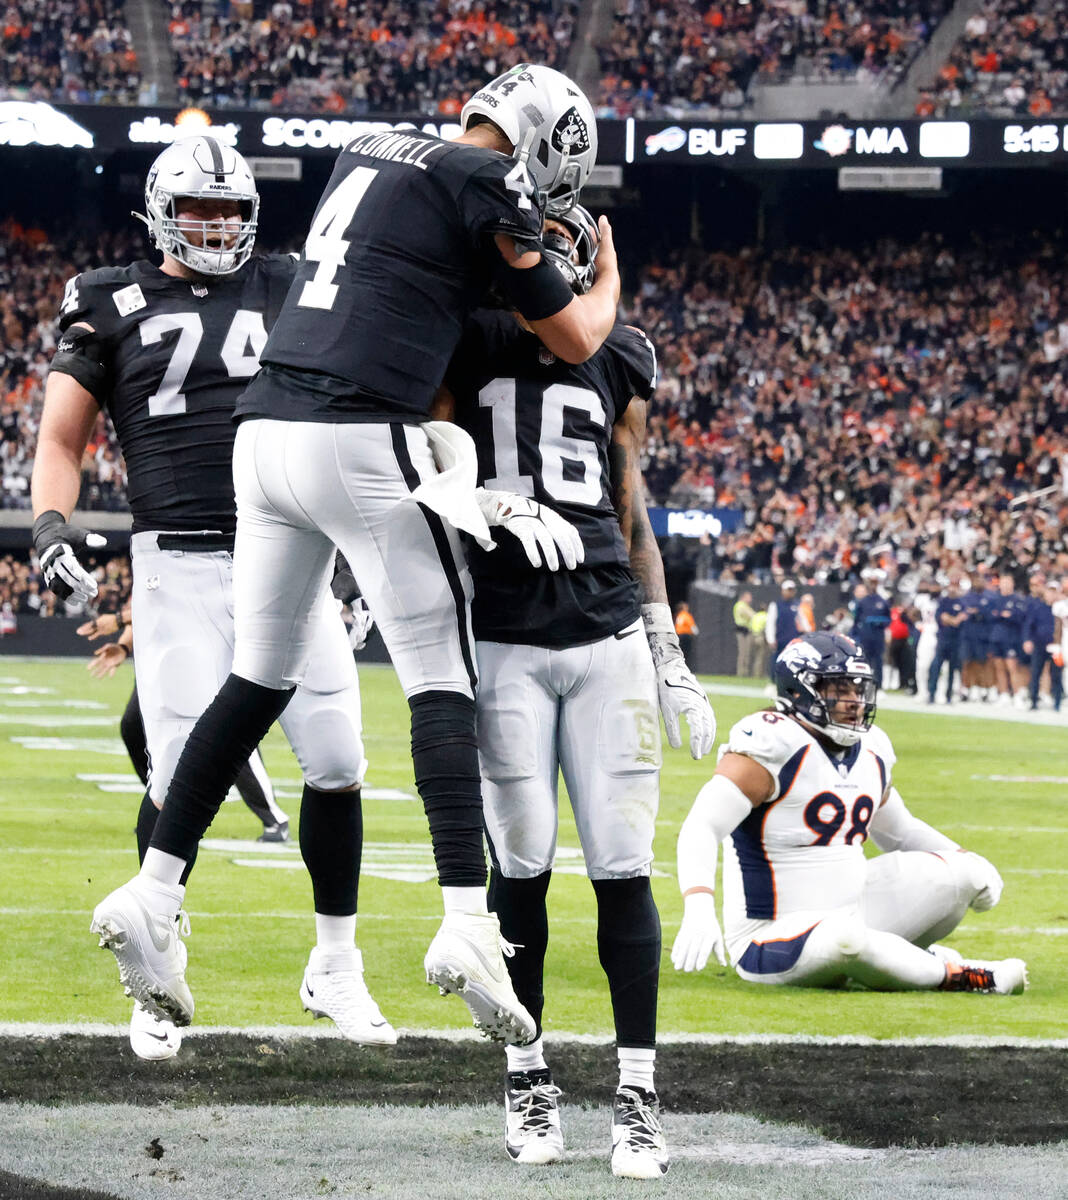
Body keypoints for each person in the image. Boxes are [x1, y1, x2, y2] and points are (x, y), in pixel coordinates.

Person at [88, 64, 617, 1046]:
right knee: (439, 674)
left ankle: (154, 892)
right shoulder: (487, 184)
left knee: (256, 678)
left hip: (263, 435)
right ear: (545, 144)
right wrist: (610, 271)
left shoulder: (369, 146)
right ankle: (467, 921)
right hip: (356, 435)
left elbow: (424, 289)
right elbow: (579, 335)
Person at [33, 136, 391, 1061]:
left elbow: (346, 412)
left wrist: (357, 548)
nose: (218, 225)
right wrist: (50, 525)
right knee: (177, 766)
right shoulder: (108, 297)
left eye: (231, 211)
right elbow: (64, 435)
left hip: (292, 550)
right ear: (160, 210)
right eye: (199, 209)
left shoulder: (287, 283)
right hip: (177, 563)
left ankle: (336, 964)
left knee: (339, 758)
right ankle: (157, 967)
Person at [438, 205, 713, 1177]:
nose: (544, 258)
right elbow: (416, 471)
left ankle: (636, 1095)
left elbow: (631, 511)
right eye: (529, 242)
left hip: (605, 634)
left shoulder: (618, 355)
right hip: (504, 635)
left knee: (622, 866)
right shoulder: (460, 338)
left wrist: (668, 651)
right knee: (520, 869)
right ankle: (527, 1075)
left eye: (562, 241)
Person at [670, 632, 1026, 996]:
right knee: (846, 941)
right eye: (838, 689)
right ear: (798, 690)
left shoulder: (872, 748)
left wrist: (971, 860)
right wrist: (698, 906)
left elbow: (900, 831)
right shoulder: (770, 745)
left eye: (858, 690)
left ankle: (903, 961)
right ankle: (957, 973)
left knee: (963, 873)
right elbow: (702, 825)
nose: (853, 702)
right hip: (770, 935)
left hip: (854, 910)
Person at [78, 605, 292, 842]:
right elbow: (147, 596)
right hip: (162, 650)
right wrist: (124, 645)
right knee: (134, 728)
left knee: (230, 731)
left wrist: (119, 619)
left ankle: (275, 819)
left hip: (206, 641)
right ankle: (164, 810)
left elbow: (187, 597)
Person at [1021, 580, 1063, 712]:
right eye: (1049, 592)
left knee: (1056, 674)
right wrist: (1027, 640)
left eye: (1053, 592)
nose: (1051, 595)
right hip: (1039, 644)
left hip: (1056, 646)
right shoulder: (1038, 607)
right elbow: (1029, 625)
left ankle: (1057, 702)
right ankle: (1033, 700)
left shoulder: (1062, 608)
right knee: (1036, 673)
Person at [988, 573, 1029, 706]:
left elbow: (1018, 617)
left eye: (1007, 582)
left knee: (1012, 667)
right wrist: (1003, 615)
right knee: (999, 667)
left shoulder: (1017, 599)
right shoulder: (996, 599)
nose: (1004, 585)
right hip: (996, 637)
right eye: (1003, 582)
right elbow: (992, 615)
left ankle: (1017, 695)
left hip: (1011, 638)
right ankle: (1004, 693)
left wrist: (1005, 615)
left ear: (1012, 584)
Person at [927, 574, 968, 705]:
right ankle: (931, 694)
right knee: (936, 666)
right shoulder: (943, 601)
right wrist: (954, 619)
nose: (952, 588)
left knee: (952, 670)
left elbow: (959, 620)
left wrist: (952, 620)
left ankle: (949, 695)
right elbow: (943, 618)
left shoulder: (961, 602)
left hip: (956, 640)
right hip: (943, 639)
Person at [850, 580, 889, 690]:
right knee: (863, 661)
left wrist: (880, 622)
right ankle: (862, 685)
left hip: (878, 637)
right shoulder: (862, 602)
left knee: (878, 662)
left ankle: (879, 686)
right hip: (865, 637)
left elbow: (888, 618)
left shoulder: (882, 601)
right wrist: (855, 634)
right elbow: (856, 620)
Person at [765, 580, 800, 681]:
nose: (790, 592)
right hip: (780, 639)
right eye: (788, 590)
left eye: (792, 590)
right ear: (782, 591)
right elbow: (770, 623)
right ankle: (774, 680)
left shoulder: (797, 605)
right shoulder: (776, 605)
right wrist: (771, 639)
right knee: (777, 660)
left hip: (794, 639)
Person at [673, 599, 699, 672]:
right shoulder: (686, 615)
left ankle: (678, 668)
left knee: (679, 652)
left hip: (678, 636)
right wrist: (696, 633)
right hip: (685, 636)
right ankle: (685, 669)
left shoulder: (679, 615)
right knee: (686, 654)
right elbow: (693, 627)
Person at [733, 590, 754, 676]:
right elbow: (752, 615)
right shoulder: (740, 605)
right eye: (749, 597)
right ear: (744, 597)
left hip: (747, 631)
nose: (750, 599)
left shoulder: (745, 606)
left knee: (746, 654)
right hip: (742, 632)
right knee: (743, 653)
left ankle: (745, 673)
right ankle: (741, 673)